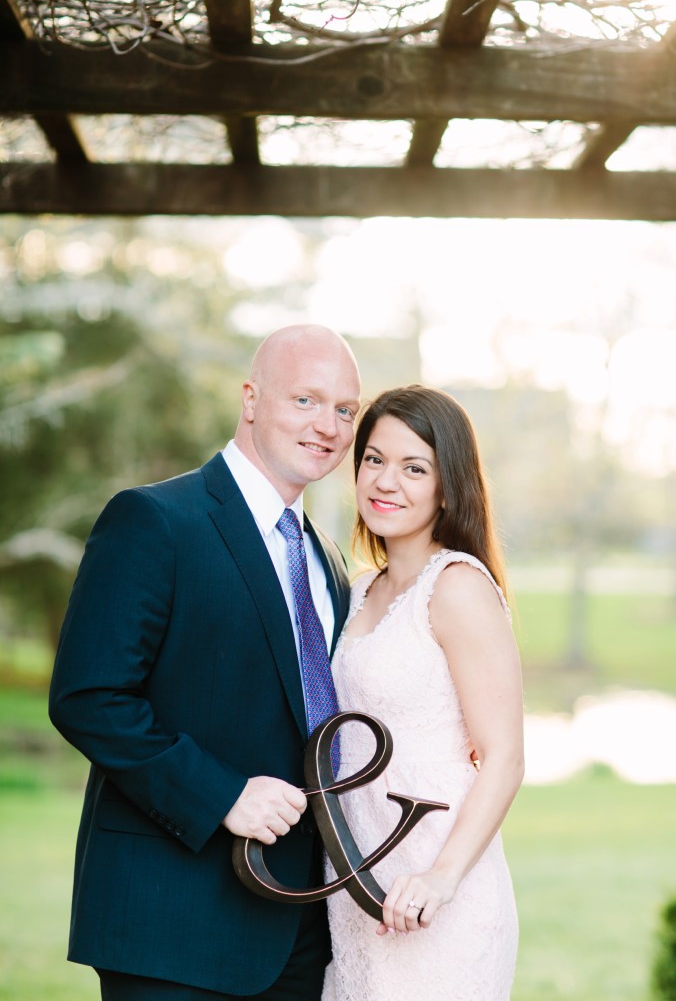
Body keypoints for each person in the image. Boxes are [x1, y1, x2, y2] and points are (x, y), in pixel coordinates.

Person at [49, 324, 361, 1001]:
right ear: (251, 398)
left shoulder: (327, 558)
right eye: (306, 400)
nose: (328, 426)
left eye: (345, 409)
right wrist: (224, 794)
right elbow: (89, 696)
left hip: (300, 925)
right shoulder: (153, 520)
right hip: (172, 923)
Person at [322, 385, 524, 1001]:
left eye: (415, 468)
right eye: (375, 459)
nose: (386, 481)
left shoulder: (458, 587)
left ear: (448, 485)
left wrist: (441, 878)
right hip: (357, 884)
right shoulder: (357, 591)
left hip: (438, 894)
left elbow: (505, 758)